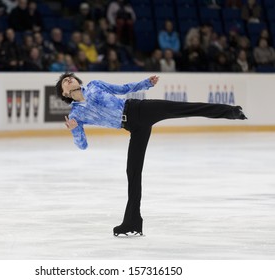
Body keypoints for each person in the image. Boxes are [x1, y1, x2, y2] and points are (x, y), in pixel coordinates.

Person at [56, 72, 247, 236]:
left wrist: (146, 83)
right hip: (133, 128)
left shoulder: (95, 85)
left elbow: (123, 89)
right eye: (65, 81)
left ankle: (231, 112)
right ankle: (132, 223)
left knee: (184, 108)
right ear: (65, 94)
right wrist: (74, 130)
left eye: (70, 77)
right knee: (132, 173)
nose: (69, 79)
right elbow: (82, 146)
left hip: (140, 108)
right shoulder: (75, 116)